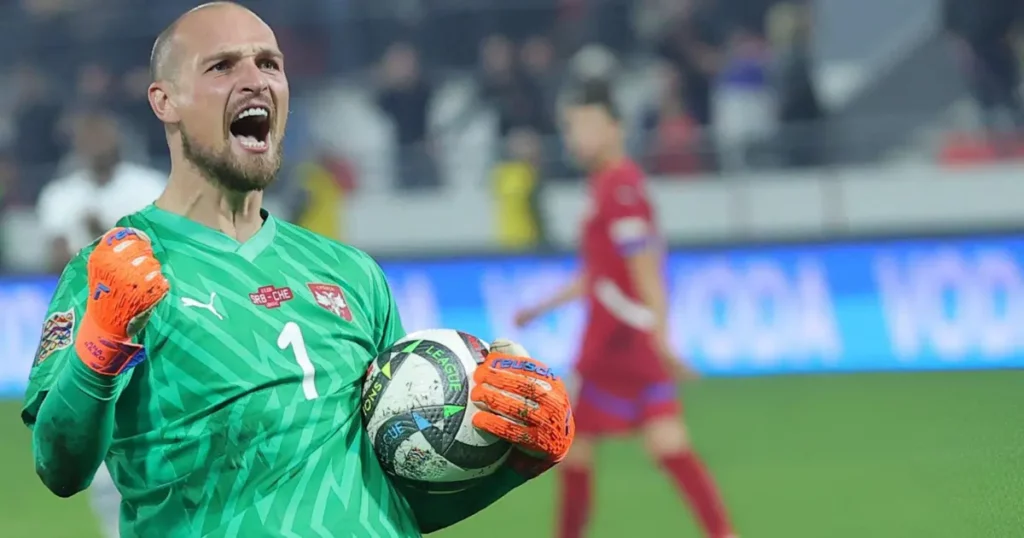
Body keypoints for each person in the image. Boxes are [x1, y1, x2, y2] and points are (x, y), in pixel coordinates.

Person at [21, 3, 574, 537]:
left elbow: (396, 492)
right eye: (222, 66)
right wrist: (100, 343)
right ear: (166, 101)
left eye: (269, 63)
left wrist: (516, 461)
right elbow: (59, 467)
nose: (255, 80)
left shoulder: (352, 274)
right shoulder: (116, 269)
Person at [514, 81, 735, 538]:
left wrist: (661, 336)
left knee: (572, 445)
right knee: (665, 443)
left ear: (615, 129)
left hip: (618, 341)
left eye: (586, 126)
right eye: (571, 128)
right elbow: (601, 273)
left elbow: (645, 267)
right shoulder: (609, 186)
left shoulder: (621, 188)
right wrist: (542, 307)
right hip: (624, 337)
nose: (576, 137)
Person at [36, 108, 165, 272]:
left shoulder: (149, 186)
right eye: (88, 137)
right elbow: (56, 260)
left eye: (101, 136)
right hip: (80, 289)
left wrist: (102, 234)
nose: (96, 144)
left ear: (118, 140)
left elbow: (161, 249)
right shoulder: (59, 194)